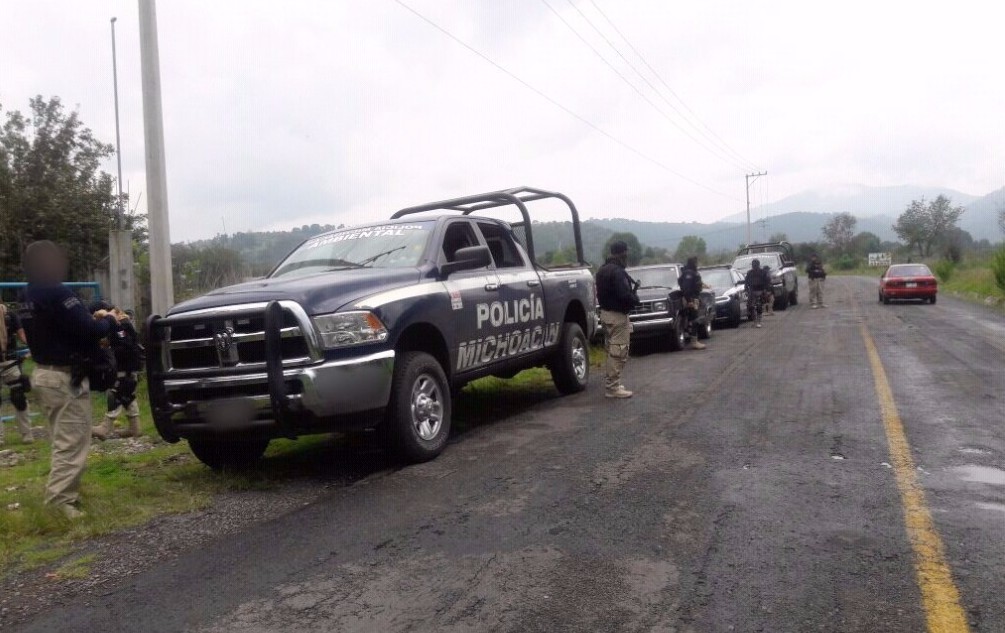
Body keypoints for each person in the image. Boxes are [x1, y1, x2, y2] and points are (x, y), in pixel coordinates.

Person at [19, 241, 122, 519]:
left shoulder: (29, 292)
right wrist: (111, 320)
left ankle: (64, 496)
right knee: (72, 442)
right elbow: (90, 330)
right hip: (65, 378)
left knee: (61, 440)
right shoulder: (58, 292)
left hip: (43, 373)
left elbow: (60, 327)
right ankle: (59, 504)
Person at [90, 301, 144, 440]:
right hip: (127, 366)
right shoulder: (120, 322)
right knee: (128, 395)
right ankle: (135, 428)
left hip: (125, 367)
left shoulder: (121, 324)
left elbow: (125, 346)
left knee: (116, 393)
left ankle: (104, 427)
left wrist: (110, 350)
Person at [596, 241, 639, 399]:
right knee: (619, 352)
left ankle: (613, 384)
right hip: (617, 315)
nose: (627, 255)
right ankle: (612, 387)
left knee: (612, 350)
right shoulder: (617, 272)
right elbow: (623, 294)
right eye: (626, 252)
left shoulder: (602, 270)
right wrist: (635, 300)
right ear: (622, 253)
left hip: (606, 314)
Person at [1, 303, 34, 446]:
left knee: (19, 396)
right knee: (18, 396)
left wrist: (34, 347)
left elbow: (22, 335)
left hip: (10, 361)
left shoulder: (10, 315)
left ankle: (26, 434)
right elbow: (22, 336)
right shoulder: (10, 314)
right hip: (10, 361)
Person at [677, 256, 707, 350]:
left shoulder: (691, 272)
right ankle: (694, 342)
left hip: (694, 298)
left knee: (694, 319)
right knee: (694, 320)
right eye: (695, 262)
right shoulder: (689, 273)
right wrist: (689, 301)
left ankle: (694, 340)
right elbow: (686, 288)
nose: (697, 264)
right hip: (691, 299)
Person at [744, 259, 770, 328]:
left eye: (755, 265)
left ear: (758, 265)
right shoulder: (749, 273)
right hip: (752, 291)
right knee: (750, 306)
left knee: (759, 306)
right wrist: (746, 290)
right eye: (753, 265)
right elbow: (746, 282)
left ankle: (758, 321)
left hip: (760, 291)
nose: (754, 266)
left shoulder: (763, 272)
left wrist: (765, 290)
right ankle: (755, 321)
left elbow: (767, 281)